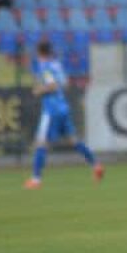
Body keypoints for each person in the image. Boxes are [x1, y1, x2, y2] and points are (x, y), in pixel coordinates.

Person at [25, 42, 104, 189]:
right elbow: (65, 84)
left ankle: (36, 179)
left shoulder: (44, 67)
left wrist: (39, 91)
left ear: (39, 53)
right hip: (63, 108)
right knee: (74, 140)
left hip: (51, 110)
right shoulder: (56, 65)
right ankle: (96, 165)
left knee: (41, 143)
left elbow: (53, 85)